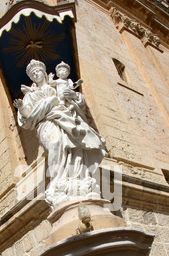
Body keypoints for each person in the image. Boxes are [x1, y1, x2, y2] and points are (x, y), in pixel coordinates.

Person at [14, 59, 106, 209]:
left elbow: (76, 99)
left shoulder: (56, 85)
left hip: (64, 117)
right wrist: (21, 107)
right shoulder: (30, 95)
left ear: (44, 73)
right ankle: (58, 180)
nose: (36, 74)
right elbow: (27, 116)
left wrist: (74, 95)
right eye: (33, 74)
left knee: (73, 146)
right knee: (55, 144)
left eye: (38, 72)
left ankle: (76, 178)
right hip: (45, 123)